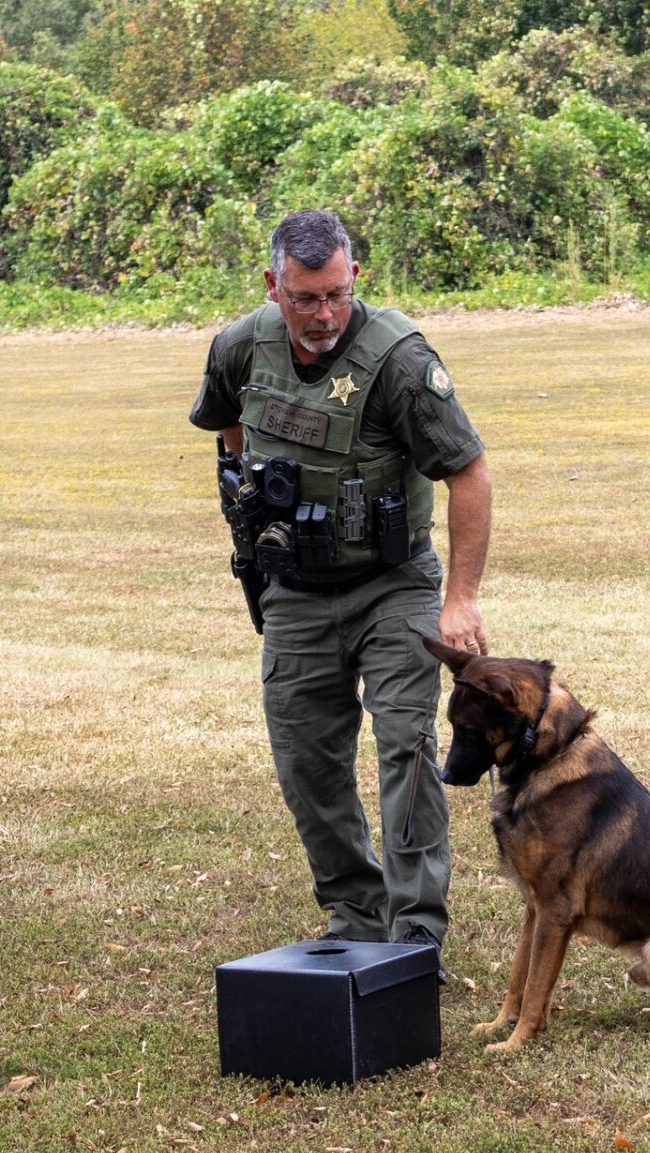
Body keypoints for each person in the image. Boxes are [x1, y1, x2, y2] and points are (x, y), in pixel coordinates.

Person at [190, 209, 492, 977]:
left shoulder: (398, 360)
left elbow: (469, 473)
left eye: (336, 294)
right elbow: (226, 428)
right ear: (273, 286)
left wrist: (460, 599)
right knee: (305, 759)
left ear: (355, 276)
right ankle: (355, 915)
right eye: (305, 298)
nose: (323, 314)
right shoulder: (240, 347)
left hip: (394, 585)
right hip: (295, 591)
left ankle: (415, 935)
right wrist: (253, 507)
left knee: (406, 749)